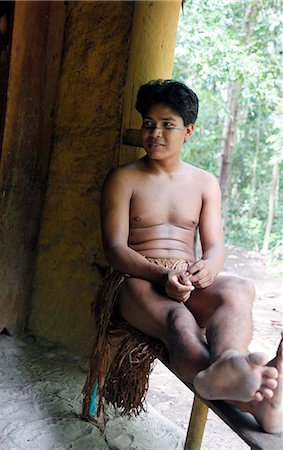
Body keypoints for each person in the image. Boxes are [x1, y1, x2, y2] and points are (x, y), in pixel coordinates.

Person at [83, 80, 282, 434]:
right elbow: (115, 249)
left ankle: (231, 366)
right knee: (178, 319)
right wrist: (161, 277)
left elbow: (215, 246)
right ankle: (255, 399)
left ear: (188, 131)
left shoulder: (204, 183)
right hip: (138, 280)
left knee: (239, 288)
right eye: (149, 123)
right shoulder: (123, 178)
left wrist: (208, 268)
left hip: (186, 277)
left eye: (167, 124)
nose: (154, 132)